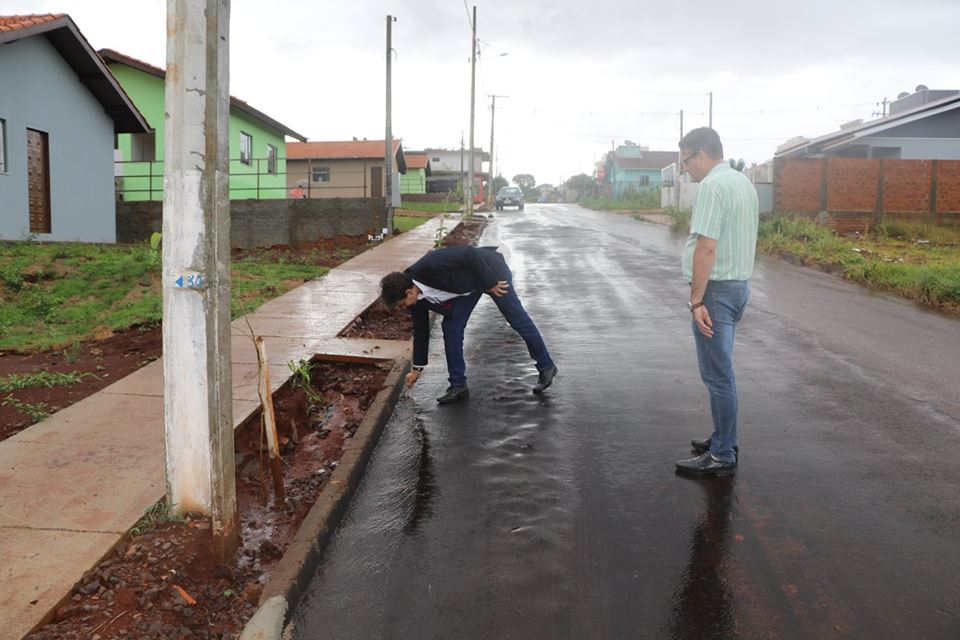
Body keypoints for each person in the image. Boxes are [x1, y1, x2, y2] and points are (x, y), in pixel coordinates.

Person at [674, 128, 759, 476]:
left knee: (718, 375)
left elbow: (707, 246)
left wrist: (696, 301)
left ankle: (723, 453)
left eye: (685, 161)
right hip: (738, 287)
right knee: (721, 372)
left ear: (701, 155)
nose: (685, 170)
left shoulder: (712, 186)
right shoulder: (743, 182)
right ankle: (723, 437)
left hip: (716, 292)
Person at [380, 245, 558, 404]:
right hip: (467, 289)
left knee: (517, 319)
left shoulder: (430, 263)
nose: (403, 308)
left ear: (408, 292)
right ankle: (458, 386)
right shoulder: (415, 301)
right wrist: (416, 369)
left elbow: (470, 253)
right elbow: (421, 331)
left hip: (491, 272)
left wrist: (490, 283)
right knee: (451, 328)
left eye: (402, 303)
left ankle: (546, 366)